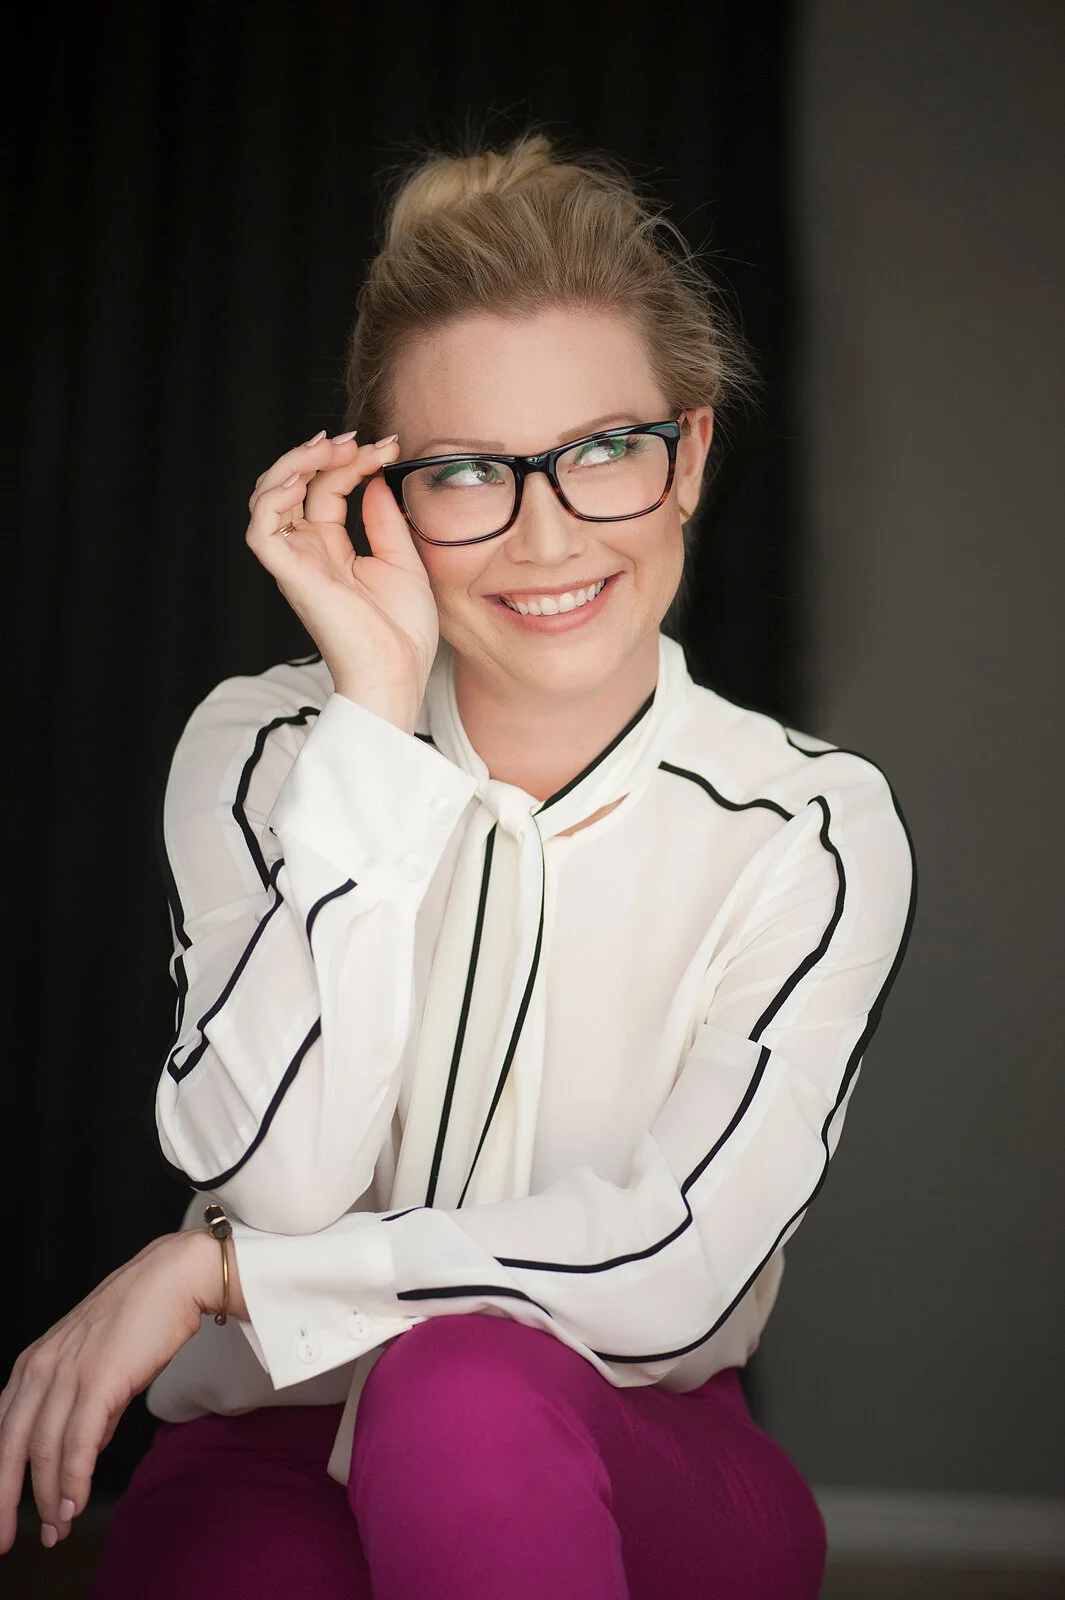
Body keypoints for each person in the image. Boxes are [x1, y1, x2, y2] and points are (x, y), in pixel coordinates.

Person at [0, 129, 916, 1599]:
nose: (545, 536)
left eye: (604, 451)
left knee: (465, 1392)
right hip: (269, 1444)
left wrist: (221, 1275)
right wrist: (371, 722)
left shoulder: (810, 825)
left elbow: (671, 1275)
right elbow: (283, 1180)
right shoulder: (261, 748)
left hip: (644, 1448)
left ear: (687, 456)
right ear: (381, 499)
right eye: (467, 473)